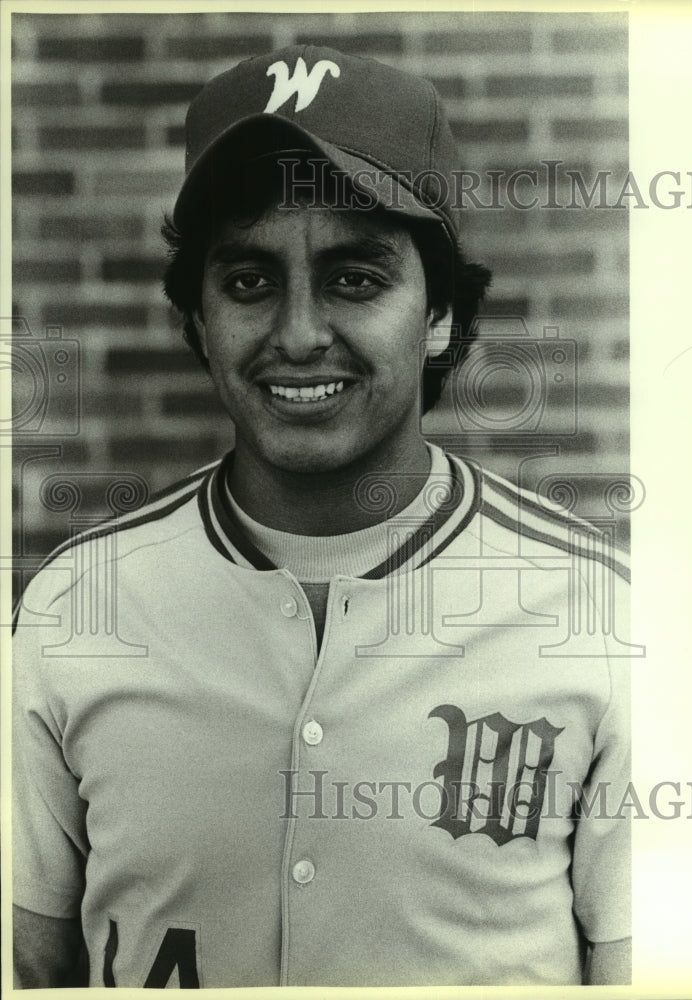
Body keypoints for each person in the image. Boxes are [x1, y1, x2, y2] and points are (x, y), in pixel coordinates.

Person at [13, 45, 631, 988]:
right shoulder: (76, 605)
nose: (299, 335)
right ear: (197, 319)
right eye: (249, 282)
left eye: (356, 278)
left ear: (438, 314)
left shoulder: (597, 613)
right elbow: (28, 963)